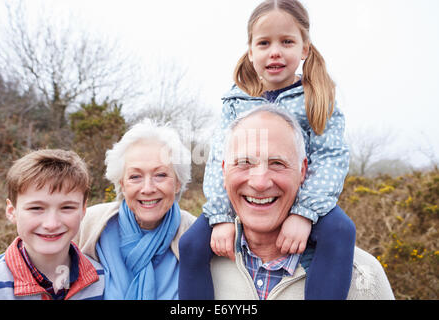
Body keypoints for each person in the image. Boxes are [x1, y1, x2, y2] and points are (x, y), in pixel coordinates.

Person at [179, 0, 356, 300]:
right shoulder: (236, 101)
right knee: (191, 245)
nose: (275, 51)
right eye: (264, 43)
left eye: (287, 41)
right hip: (248, 198)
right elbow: (221, 160)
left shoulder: (317, 98)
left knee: (341, 232)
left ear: (304, 49)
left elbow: (330, 158)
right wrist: (221, 215)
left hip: (304, 197)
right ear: (250, 52)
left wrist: (305, 213)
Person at [210, 105, 394, 299]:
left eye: (277, 163)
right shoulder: (201, 266)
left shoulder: (363, 276)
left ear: (303, 172)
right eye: (244, 162)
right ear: (223, 171)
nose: (260, 183)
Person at [75, 119, 196, 300]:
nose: (147, 188)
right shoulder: (88, 224)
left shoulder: (195, 233)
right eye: (135, 176)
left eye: (160, 175)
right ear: (122, 184)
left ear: (178, 183)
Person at [0, 149, 105, 300]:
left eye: (67, 208)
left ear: (83, 210)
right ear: (12, 211)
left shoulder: (102, 279)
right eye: (36, 208)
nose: (52, 224)